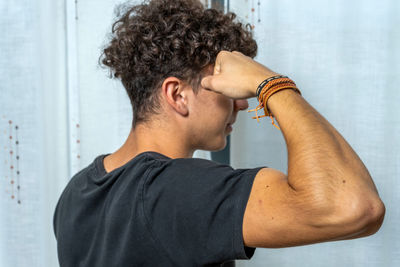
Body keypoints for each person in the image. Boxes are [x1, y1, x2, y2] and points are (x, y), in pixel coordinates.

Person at [53, 0, 385, 266]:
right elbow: (353, 206)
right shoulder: (173, 190)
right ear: (178, 95)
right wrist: (271, 84)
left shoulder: (76, 193)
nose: (241, 104)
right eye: (226, 88)